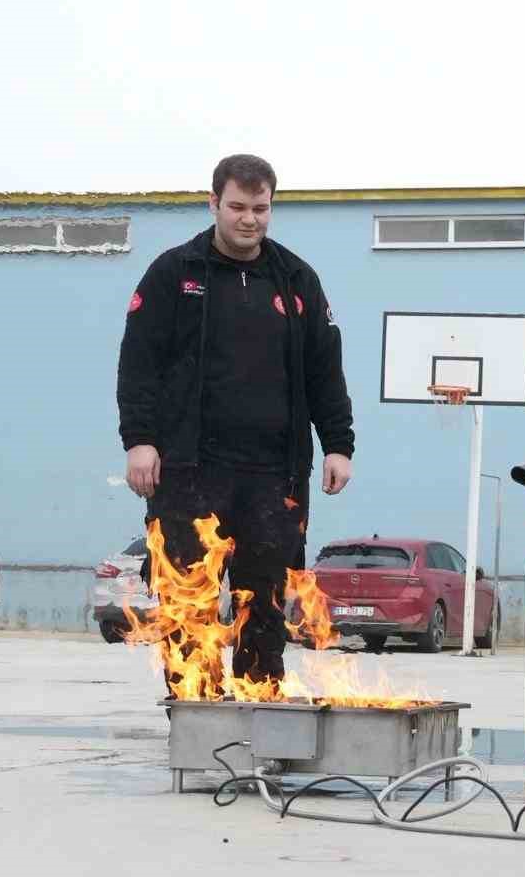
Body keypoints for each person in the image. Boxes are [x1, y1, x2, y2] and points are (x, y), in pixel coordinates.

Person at [116, 153, 354, 686]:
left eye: (261, 209)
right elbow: (138, 364)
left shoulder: (296, 279)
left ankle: (259, 715)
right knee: (186, 604)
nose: (250, 219)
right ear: (214, 203)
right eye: (238, 207)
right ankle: (196, 719)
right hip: (188, 471)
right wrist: (140, 441)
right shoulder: (174, 273)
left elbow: (325, 370)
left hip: (274, 477)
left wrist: (339, 444)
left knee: (264, 607)